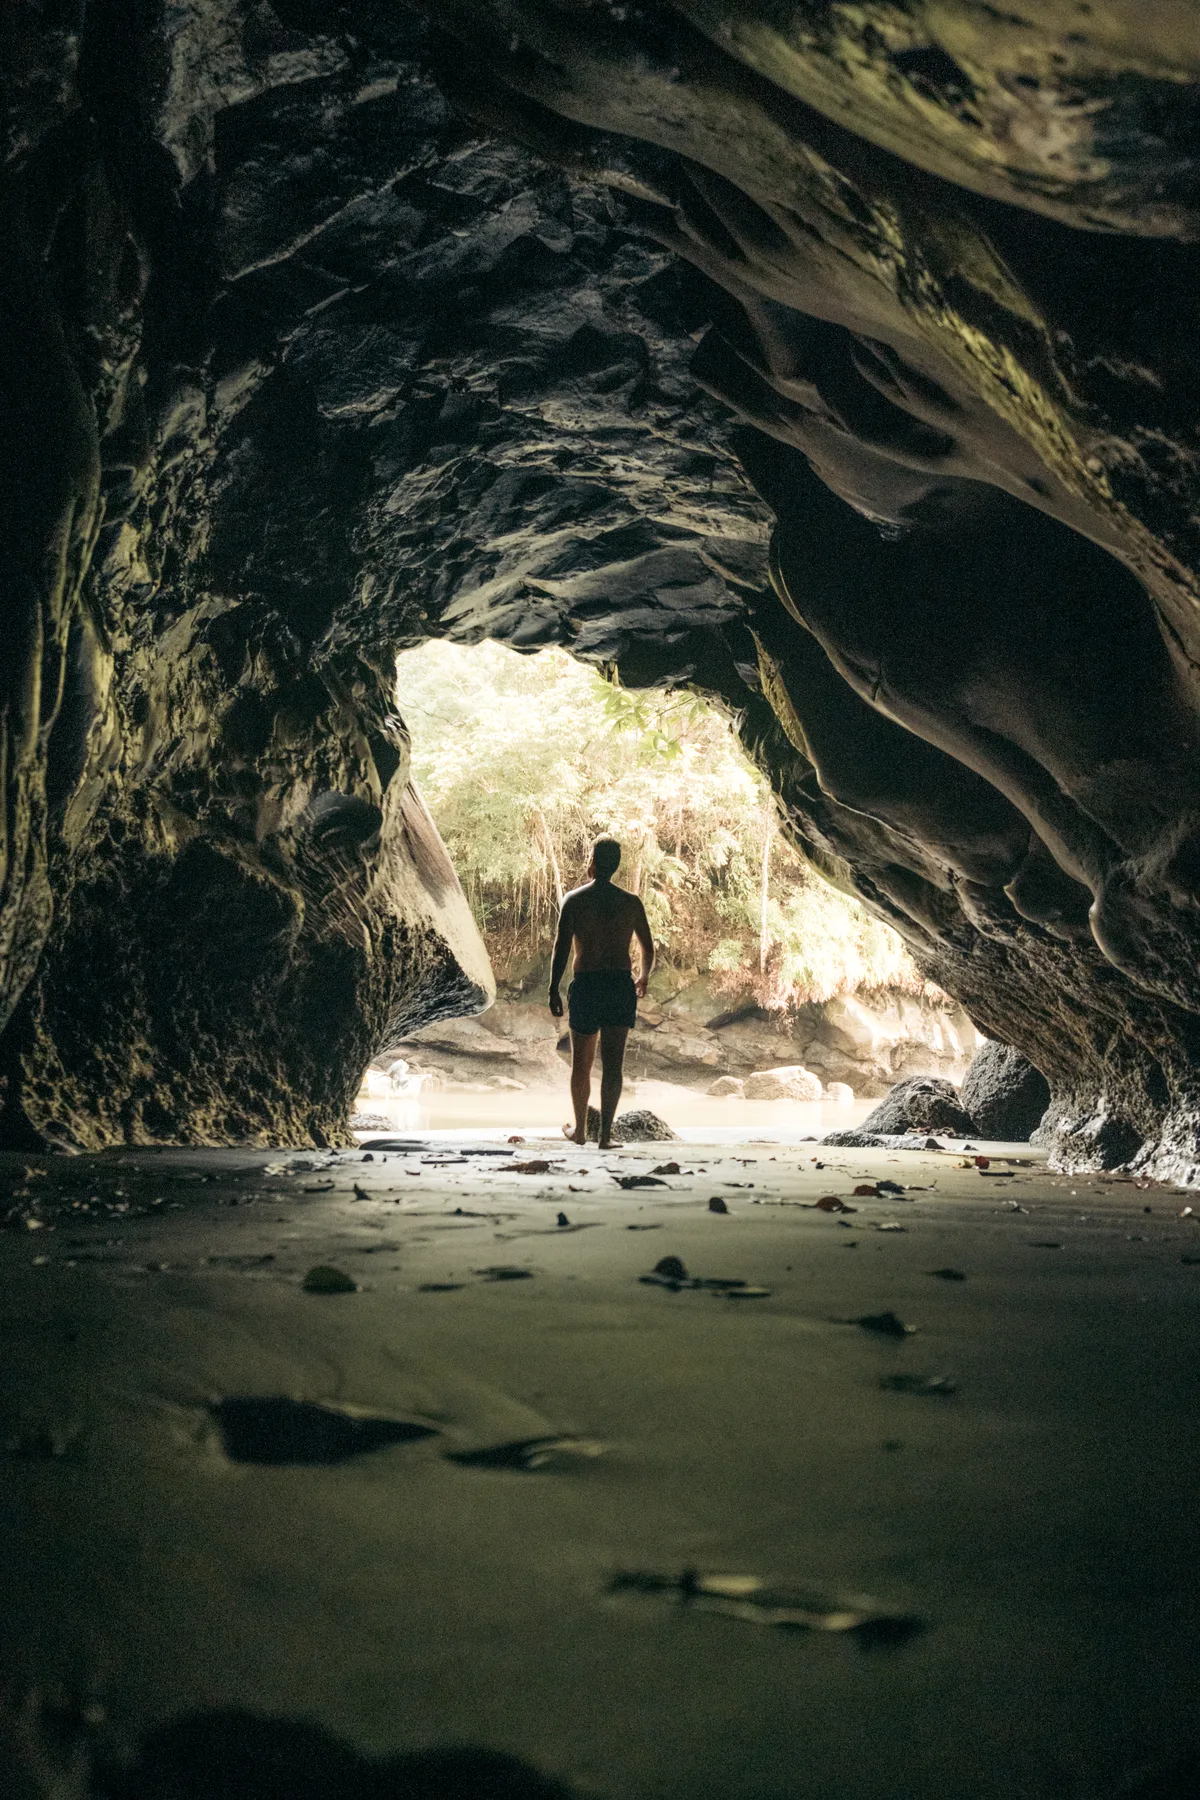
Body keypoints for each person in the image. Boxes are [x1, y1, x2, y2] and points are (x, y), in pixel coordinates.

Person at [549, 838, 655, 1149]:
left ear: (593, 860)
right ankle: (605, 1136)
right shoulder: (631, 902)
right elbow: (647, 948)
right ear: (617, 864)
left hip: (588, 984)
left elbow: (562, 947)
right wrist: (644, 976)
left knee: (580, 1064)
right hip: (619, 985)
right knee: (613, 1066)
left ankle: (581, 1132)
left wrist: (553, 987)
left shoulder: (575, 900)